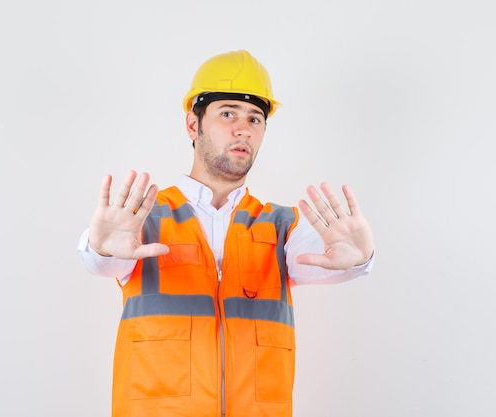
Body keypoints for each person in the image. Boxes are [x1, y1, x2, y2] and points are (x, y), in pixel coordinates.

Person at [77, 49, 375, 417]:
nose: (242, 128)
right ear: (193, 125)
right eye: (228, 113)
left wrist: (359, 259)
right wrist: (102, 249)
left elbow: (331, 261)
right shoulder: (141, 219)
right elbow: (99, 262)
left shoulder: (283, 227)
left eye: (255, 118)